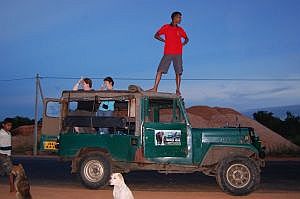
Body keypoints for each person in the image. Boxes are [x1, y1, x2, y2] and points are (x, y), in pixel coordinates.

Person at [149, 11, 189, 96]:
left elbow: (186, 38)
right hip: (168, 52)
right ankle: (155, 88)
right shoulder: (166, 27)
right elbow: (156, 35)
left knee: (178, 72)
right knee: (160, 70)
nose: (180, 19)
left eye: (180, 17)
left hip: (178, 53)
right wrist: (164, 40)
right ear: (174, 18)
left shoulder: (180, 29)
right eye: (179, 17)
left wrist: (183, 44)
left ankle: (178, 90)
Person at [0, 117, 14, 192]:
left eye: (10, 125)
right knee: (10, 171)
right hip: (3, 155)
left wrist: (9, 154)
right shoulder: (1, 133)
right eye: (8, 125)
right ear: (3, 125)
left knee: (3, 172)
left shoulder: (9, 133)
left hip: (7, 155)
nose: (9, 127)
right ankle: (12, 188)